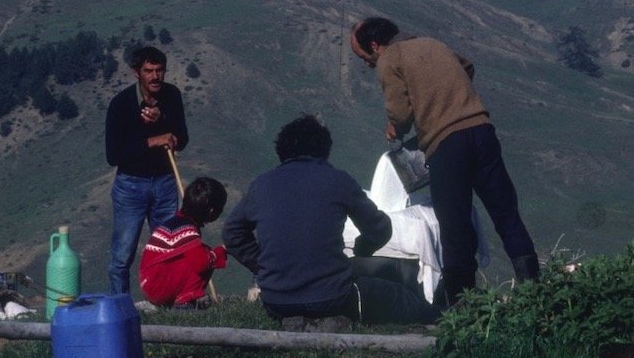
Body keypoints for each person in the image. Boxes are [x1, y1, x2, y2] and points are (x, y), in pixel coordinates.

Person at [350, 17, 539, 300]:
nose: (367, 63)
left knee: (454, 225)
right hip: (482, 131)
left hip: (448, 144)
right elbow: (467, 67)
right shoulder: (432, 43)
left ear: (376, 46)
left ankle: (464, 304)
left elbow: (400, 114)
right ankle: (533, 288)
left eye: (364, 56)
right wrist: (449, 95)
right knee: (505, 213)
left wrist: (396, 127)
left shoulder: (390, 58)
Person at [223, 113, 440, 328]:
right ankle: (437, 320)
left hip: (275, 302)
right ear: (324, 148)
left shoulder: (262, 185)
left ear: (282, 150)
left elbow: (232, 234)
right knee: (396, 296)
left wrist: (262, 265)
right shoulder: (338, 181)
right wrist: (363, 247)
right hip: (331, 298)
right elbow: (380, 227)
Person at [104, 45, 188, 296]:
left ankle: (168, 303)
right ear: (136, 73)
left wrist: (166, 127)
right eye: (148, 71)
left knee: (169, 248)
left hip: (164, 182)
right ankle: (121, 305)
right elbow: (114, 156)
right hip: (131, 185)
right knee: (122, 255)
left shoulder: (172, 96)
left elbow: (182, 138)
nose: (155, 76)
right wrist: (153, 140)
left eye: (159, 70)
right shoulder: (121, 104)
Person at [139, 176, 228, 308]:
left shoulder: (176, 223)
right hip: (157, 287)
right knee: (206, 257)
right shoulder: (186, 230)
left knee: (202, 251)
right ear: (212, 211)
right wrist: (222, 251)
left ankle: (183, 297)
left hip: (150, 281)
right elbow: (201, 264)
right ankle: (185, 300)